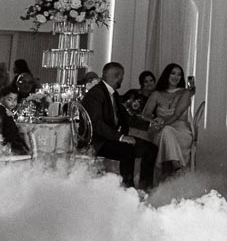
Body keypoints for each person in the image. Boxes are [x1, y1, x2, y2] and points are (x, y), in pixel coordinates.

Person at [79, 62, 155, 190]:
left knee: (151, 149)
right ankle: (128, 188)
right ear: (117, 76)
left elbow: (127, 118)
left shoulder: (113, 93)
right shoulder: (96, 93)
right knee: (127, 149)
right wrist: (120, 137)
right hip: (98, 142)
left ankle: (145, 188)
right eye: (122, 77)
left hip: (110, 139)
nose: (122, 80)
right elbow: (97, 124)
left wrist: (150, 124)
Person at [139, 63, 195, 178]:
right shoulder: (157, 94)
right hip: (160, 131)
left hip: (181, 131)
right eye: (173, 73)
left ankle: (175, 168)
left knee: (167, 130)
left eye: (179, 75)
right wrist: (155, 120)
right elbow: (145, 114)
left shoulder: (185, 93)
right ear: (167, 75)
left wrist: (163, 124)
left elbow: (177, 114)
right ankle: (177, 168)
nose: (176, 77)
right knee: (165, 131)